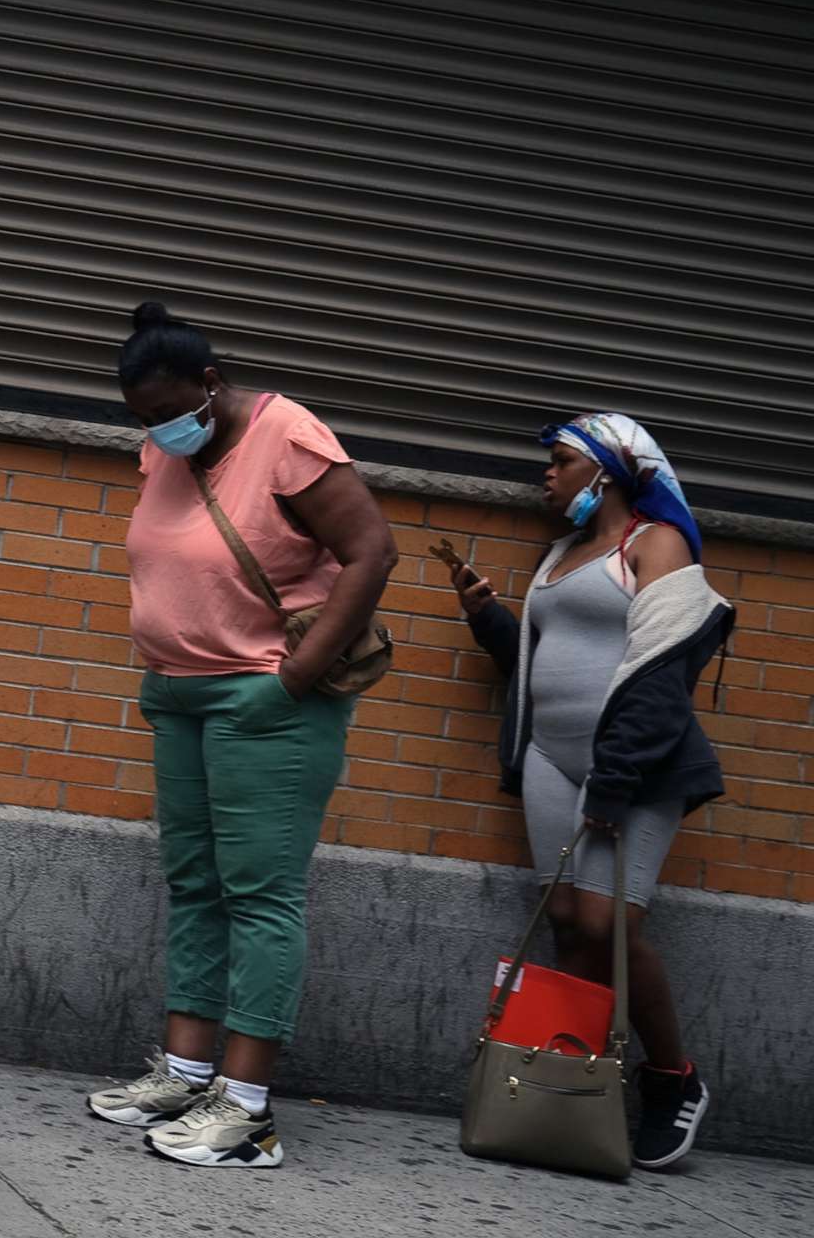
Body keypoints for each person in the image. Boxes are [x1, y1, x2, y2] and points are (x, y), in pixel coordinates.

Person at [88, 302, 396, 1169]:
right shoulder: (164, 444)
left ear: (210, 384)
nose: (155, 430)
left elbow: (372, 551)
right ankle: (187, 1071)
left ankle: (249, 1111)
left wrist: (292, 681)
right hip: (179, 696)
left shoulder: (285, 434)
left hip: (265, 701)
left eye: (167, 410)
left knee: (261, 893)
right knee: (195, 883)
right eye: (141, 418)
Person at [443, 412, 729, 1171]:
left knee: (608, 922)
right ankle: (557, 1092)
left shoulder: (655, 545)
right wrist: (489, 619)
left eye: (560, 461)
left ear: (607, 471)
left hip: (631, 765)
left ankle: (675, 1079)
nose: (546, 473)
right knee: (568, 920)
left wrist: (616, 777)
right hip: (549, 756)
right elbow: (542, 664)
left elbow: (664, 675)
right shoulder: (564, 553)